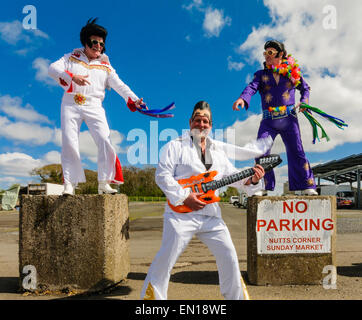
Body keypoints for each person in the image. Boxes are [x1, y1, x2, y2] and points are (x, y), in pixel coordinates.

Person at [140, 101, 266, 300]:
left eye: (205, 121)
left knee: (229, 256)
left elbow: (234, 176)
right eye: (197, 120)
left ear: (210, 125)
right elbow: (162, 176)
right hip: (180, 214)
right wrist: (184, 196)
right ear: (190, 122)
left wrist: (252, 178)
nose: (201, 124)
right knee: (165, 260)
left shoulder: (218, 152)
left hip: (211, 215)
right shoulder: (174, 146)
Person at [48, 18, 145, 195]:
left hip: (95, 105)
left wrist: (135, 99)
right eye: (94, 42)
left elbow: (120, 85)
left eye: (101, 43)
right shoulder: (70, 57)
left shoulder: (106, 65)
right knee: (69, 142)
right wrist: (71, 77)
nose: (98, 46)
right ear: (85, 42)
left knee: (105, 140)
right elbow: (52, 69)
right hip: (71, 103)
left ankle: (104, 182)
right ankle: (70, 184)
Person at [232, 40, 318, 196]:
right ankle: (263, 186)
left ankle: (306, 185)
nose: (267, 56)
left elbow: (305, 88)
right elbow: (251, 87)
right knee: (260, 151)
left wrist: (304, 102)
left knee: (296, 151)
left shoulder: (292, 73)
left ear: (281, 55)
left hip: (289, 119)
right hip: (268, 121)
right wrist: (242, 99)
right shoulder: (261, 75)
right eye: (265, 53)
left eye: (270, 53)